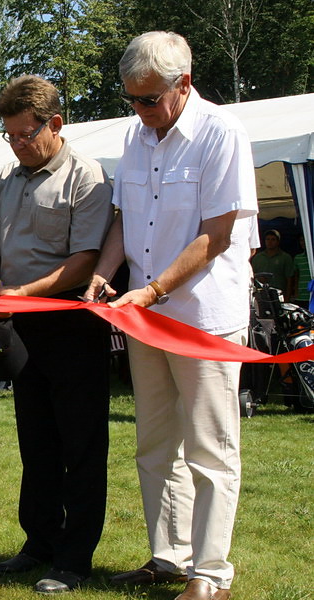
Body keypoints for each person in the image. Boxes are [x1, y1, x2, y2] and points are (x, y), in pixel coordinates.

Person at [84, 32, 257, 600]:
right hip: (144, 314)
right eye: (132, 100)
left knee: (210, 448)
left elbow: (218, 233)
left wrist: (151, 291)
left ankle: (210, 574)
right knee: (155, 443)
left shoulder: (221, 132)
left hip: (202, 316)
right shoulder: (138, 136)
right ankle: (168, 556)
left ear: (183, 84)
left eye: (150, 100)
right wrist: (106, 275)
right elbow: (122, 221)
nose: (140, 112)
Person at [0, 75, 114, 593]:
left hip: (72, 326)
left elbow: (84, 262)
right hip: (18, 326)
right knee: (35, 443)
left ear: (55, 124)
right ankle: (38, 543)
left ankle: (74, 558)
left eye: (25, 134)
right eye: (8, 136)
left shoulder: (88, 178)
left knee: (79, 446)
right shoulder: (8, 181)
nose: (16, 144)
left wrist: (23, 294)